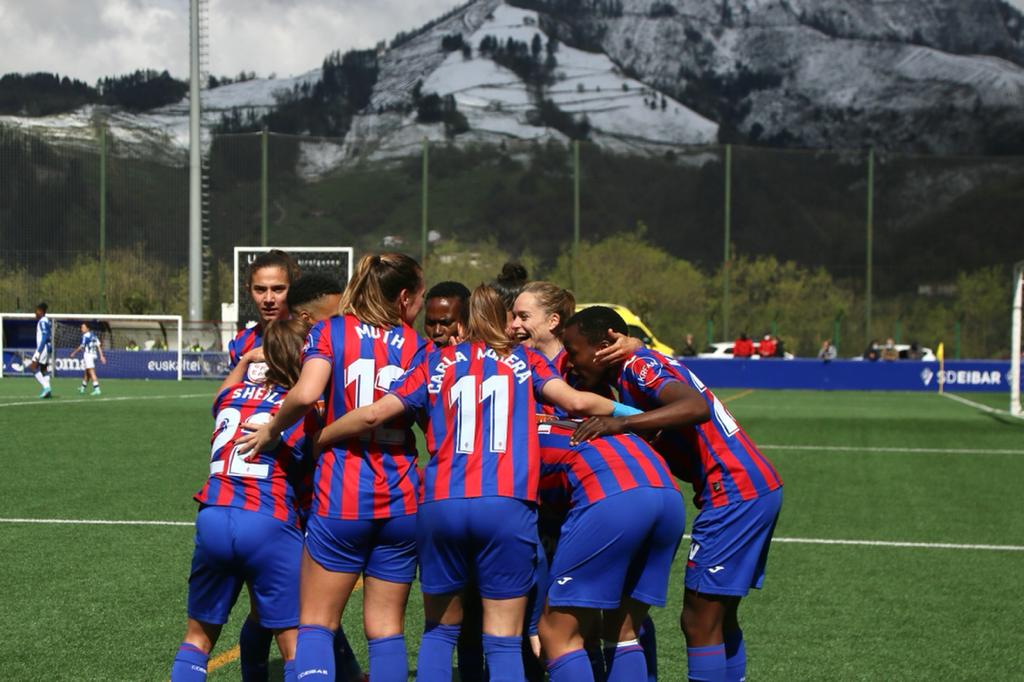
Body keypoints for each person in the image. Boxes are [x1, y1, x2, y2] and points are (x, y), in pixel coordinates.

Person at [305, 285, 642, 682]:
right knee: (501, 639)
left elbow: (374, 413)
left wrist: (323, 437)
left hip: (442, 504)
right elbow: (577, 403)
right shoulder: (526, 360)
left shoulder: (435, 362)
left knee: (439, 631)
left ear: (462, 323)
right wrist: (633, 413)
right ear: (503, 321)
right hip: (505, 505)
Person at [564, 306, 783, 682]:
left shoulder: (638, 367)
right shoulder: (635, 364)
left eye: (574, 350)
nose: (570, 360)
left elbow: (696, 407)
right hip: (751, 487)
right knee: (719, 616)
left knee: (698, 620)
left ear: (606, 344)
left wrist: (621, 424)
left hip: (733, 490)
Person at [238, 252, 430, 682]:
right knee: (386, 630)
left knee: (316, 625)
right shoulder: (419, 346)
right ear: (402, 297)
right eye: (419, 295)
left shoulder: (330, 330)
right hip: (401, 499)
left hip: (342, 494)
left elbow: (306, 396)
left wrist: (273, 430)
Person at [170, 319, 317, 682]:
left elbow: (223, 393)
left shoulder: (229, 397)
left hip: (214, 515)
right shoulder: (298, 409)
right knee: (295, 644)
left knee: (197, 638)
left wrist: (244, 360)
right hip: (267, 518)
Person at [537, 420, 685, 682]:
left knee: (558, 634)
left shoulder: (513, 443)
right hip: (669, 496)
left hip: (615, 499)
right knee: (624, 631)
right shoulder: (561, 424)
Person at [228, 249, 301, 382]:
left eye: (278, 289)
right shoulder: (240, 343)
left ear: (293, 290)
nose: (268, 299)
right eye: (260, 289)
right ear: (249, 291)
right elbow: (227, 398)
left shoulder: (312, 339)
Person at [424, 281, 470, 348]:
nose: (437, 331)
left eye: (445, 323)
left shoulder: (486, 355)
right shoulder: (417, 355)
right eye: (431, 323)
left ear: (468, 322)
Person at [69, 322, 106, 395]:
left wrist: (74, 353)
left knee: (91, 372)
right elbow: (98, 346)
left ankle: (97, 389)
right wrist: (101, 356)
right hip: (94, 355)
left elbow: (81, 346)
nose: (82, 329)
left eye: (83, 327)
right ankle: (82, 388)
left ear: (88, 328)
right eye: (81, 327)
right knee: (87, 372)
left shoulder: (85, 336)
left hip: (88, 355)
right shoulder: (94, 336)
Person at [29, 303, 53, 399]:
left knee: (33, 367)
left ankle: (46, 387)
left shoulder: (42, 321)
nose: (35, 313)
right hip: (48, 348)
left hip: (43, 348)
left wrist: (39, 351)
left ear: (41, 311)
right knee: (43, 369)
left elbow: (45, 336)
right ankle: (49, 390)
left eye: (37, 310)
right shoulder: (46, 321)